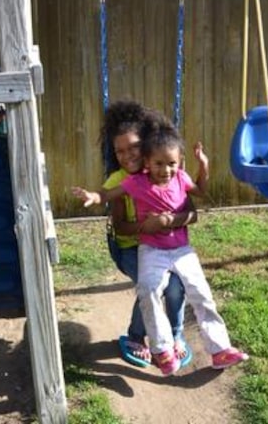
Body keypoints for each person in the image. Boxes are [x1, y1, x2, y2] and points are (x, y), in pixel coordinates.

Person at [73, 113, 249, 376]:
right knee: (150, 290)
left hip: (181, 250)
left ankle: (219, 348)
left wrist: (204, 167)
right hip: (145, 249)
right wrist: (94, 196)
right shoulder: (134, 182)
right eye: (120, 151)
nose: (165, 169)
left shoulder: (178, 176)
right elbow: (109, 195)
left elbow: (198, 199)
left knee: (200, 293)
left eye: (171, 163)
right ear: (149, 160)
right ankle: (161, 348)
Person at [100, 100, 192, 368]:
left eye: (134, 147)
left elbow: (191, 213)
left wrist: (171, 219)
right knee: (153, 283)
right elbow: (120, 227)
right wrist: (145, 227)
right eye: (120, 151)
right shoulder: (119, 182)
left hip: (165, 245)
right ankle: (136, 336)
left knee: (176, 287)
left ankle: (175, 336)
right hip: (130, 246)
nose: (127, 155)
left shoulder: (165, 173)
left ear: (148, 144)